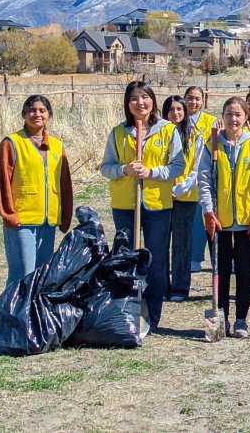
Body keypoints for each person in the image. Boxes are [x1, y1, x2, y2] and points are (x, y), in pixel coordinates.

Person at [99, 81, 185, 331]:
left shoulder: (167, 130)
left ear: (153, 101)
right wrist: (124, 169)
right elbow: (106, 167)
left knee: (156, 259)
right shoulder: (118, 132)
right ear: (128, 103)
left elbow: (178, 167)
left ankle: (152, 314)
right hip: (125, 204)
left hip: (157, 205)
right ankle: (124, 310)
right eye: (134, 98)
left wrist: (151, 172)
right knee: (126, 258)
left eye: (145, 97)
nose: (140, 103)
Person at [198, 97, 250, 338]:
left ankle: (241, 319)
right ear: (223, 116)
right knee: (220, 271)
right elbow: (205, 182)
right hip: (219, 220)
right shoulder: (212, 146)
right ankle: (223, 318)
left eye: (238, 114)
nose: (233, 119)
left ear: (246, 117)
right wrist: (208, 211)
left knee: (243, 270)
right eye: (229, 114)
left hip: (246, 220)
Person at [0, 95, 74, 286]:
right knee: (22, 274)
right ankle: (13, 315)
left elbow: (65, 184)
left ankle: (33, 315)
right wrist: (9, 214)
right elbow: (2, 182)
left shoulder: (57, 145)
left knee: (42, 275)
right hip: (22, 220)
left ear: (49, 115)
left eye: (42, 110)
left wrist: (64, 216)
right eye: (31, 110)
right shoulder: (12, 142)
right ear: (24, 114)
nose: (36, 114)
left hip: (48, 221)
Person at [164, 95, 200, 302]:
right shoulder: (158, 134)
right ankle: (161, 285)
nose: (175, 113)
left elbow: (196, 169)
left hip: (185, 197)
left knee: (182, 244)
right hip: (161, 197)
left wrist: (178, 189)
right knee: (159, 244)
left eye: (179, 109)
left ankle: (179, 287)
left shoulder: (194, 137)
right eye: (171, 110)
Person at [184, 86, 215, 272]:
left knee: (204, 218)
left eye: (197, 99)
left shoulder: (211, 122)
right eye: (189, 98)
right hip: (183, 178)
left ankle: (213, 258)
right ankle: (193, 257)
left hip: (204, 176)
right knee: (190, 221)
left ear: (202, 100)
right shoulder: (178, 119)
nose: (193, 102)